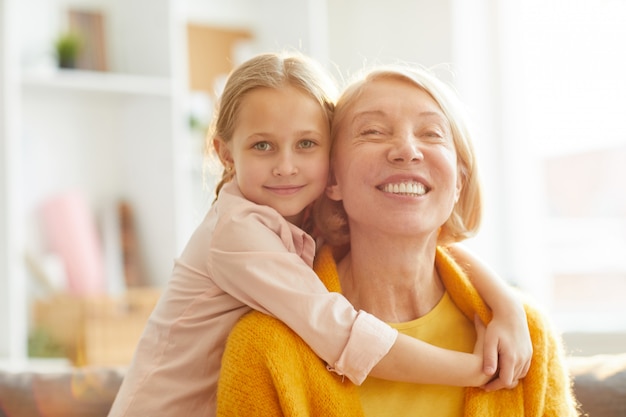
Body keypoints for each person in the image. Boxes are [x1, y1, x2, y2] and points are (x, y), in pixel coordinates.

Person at [108, 52, 532, 417]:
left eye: (307, 144)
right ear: (225, 154)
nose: (286, 166)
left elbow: (433, 245)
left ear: (330, 162)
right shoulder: (237, 232)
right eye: (262, 146)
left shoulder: (298, 214)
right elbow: (339, 332)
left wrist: (507, 305)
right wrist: (476, 370)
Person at [216, 62, 581, 416]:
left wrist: (508, 306)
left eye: (431, 134)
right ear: (332, 178)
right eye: (373, 131)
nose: (407, 149)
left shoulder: (527, 334)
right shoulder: (264, 347)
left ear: (458, 182)